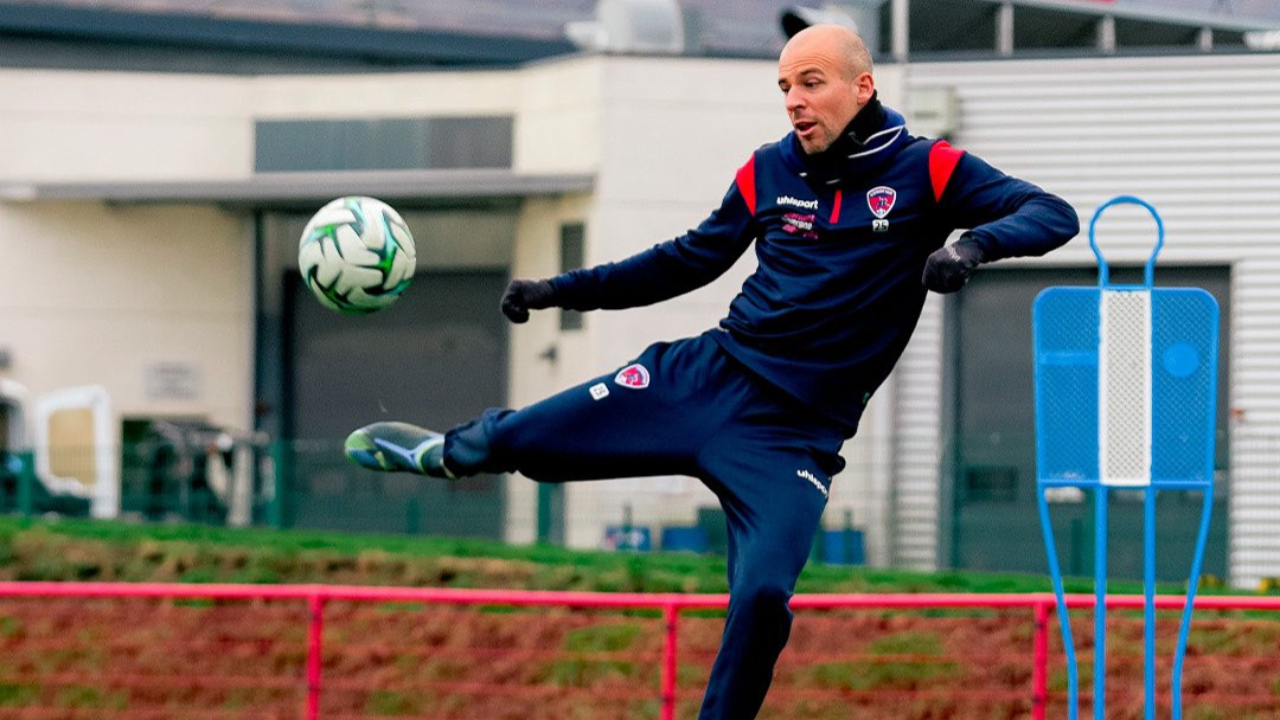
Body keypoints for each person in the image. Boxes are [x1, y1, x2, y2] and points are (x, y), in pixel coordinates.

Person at [344, 24, 1079, 720]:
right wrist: (559, 290)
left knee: (761, 597)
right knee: (528, 435)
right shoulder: (768, 170)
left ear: (862, 87)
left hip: (793, 438)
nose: (793, 101)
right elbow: (683, 261)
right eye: (784, 86)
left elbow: (1051, 211)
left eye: (811, 83)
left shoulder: (929, 169)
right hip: (707, 378)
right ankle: (446, 452)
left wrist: (971, 249)